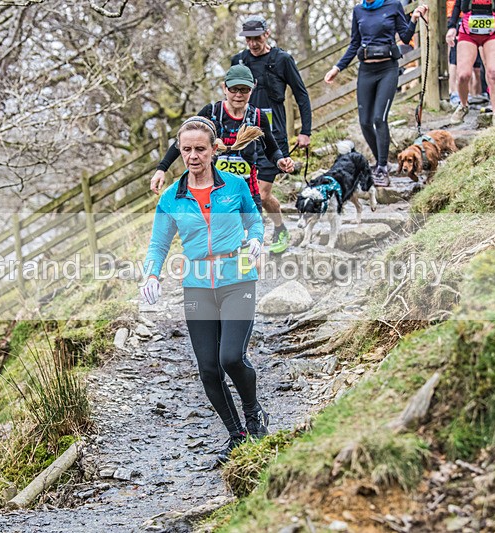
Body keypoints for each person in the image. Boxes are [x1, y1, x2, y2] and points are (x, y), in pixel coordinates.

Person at [141, 116, 269, 464]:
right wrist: (151, 275)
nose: (193, 156)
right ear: (180, 152)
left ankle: (254, 414)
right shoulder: (171, 197)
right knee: (208, 368)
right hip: (197, 284)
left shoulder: (236, 186)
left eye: (200, 149)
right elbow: (158, 244)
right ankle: (236, 434)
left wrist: (256, 238)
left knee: (231, 357)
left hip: (237, 277)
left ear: (214, 150)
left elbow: (254, 219)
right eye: (186, 150)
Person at [150, 65, 294, 218]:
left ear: (252, 89)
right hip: (217, 192)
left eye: (244, 89)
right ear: (224, 88)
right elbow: (183, 142)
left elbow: (271, 148)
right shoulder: (211, 113)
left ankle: (279, 230)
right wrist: (162, 169)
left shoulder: (257, 117)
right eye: (233, 89)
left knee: (254, 237)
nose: (238, 94)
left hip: (248, 191)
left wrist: (280, 161)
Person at [324, 0, 429, 185]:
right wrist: (337, 68)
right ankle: (381, 162)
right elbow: (354, 43)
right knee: (365, 122)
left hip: (387, 70)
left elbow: (405, 37)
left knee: (379, 118)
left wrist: (413, 18)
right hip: (366, 71)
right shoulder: (358, 10)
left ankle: (381, 168)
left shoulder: (393, 5)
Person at [232, 16, 313, 254]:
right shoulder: (239, 61)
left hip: (274, 138)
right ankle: (244, 241)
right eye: (249, 39)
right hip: (244, 139)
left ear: (266, 34)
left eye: (257, 38)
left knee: (263, 193)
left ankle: (279, 229)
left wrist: (305, 131)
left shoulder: (283, 60)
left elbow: (302, 95)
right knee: (242, 192)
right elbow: (230, 96)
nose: (253, 43)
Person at [447, 0, 495, 126]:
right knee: (463, 75)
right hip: (468, 32)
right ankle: (463, 105)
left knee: (494, 72)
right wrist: (452, 27)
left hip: (492, 32)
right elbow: (458, 4)